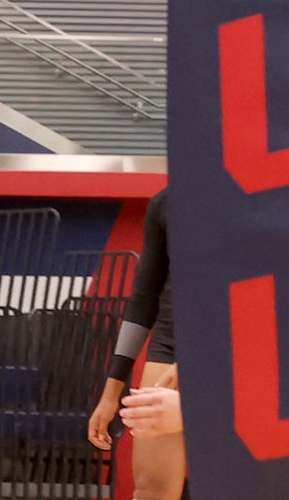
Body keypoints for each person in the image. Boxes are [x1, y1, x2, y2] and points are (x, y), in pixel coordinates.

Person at [87, 188, 179, 500]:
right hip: (171, 346)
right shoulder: (167, 202)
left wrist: (202, 359)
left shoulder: (258, 194)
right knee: (152, 488)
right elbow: (143, 301)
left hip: (240, 351)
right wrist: (111, 393)